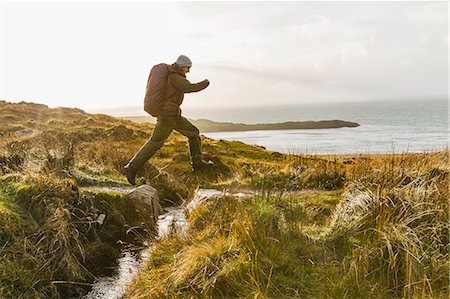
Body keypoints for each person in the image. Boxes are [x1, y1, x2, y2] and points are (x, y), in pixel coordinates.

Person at [124, 55, 214, 185]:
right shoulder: (174, 77)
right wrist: (205, 83)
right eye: (188, 68)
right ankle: (131, 168)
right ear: (182, 66)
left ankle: (198, 163)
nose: (188, 71)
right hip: (167, 117)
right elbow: (189, 88)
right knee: (154, 143)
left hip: (173, 115)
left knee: (193, 133)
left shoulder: (173, 75)